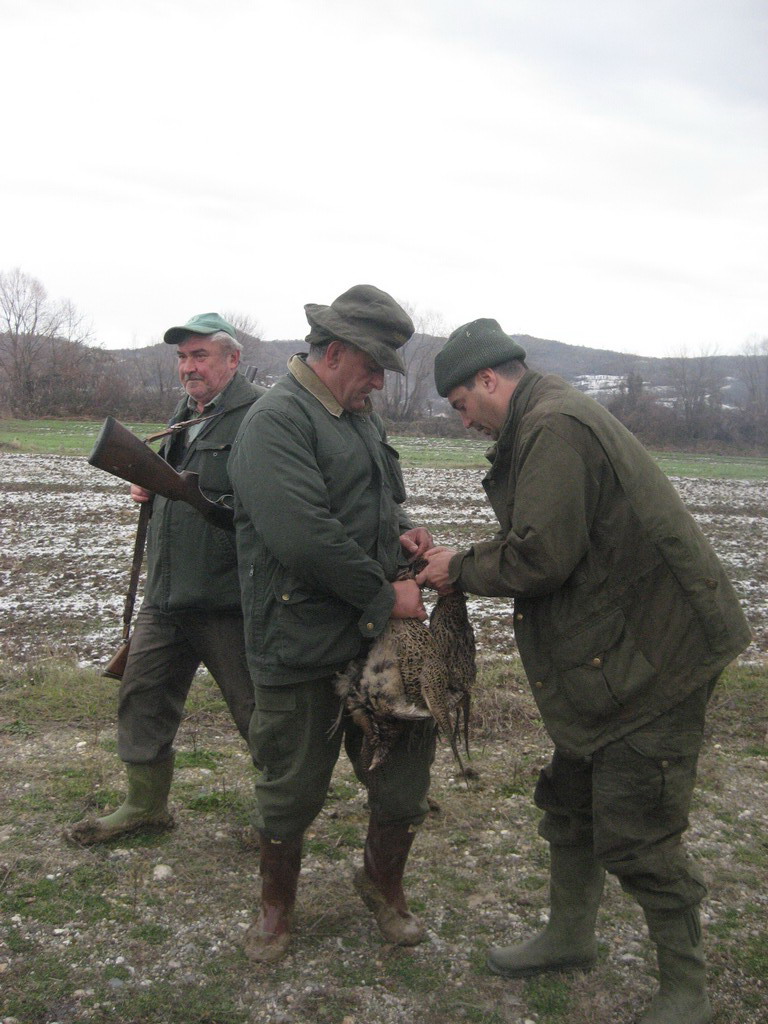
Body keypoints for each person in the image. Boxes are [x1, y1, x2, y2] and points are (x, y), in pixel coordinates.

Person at [416, 318, 751, 1024]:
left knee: (639, 825)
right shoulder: (543, 418)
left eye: (458, 404)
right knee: (570, 797)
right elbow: (548, 535)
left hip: (657, 654)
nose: (463, 419)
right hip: (615, 654)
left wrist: (462, 568)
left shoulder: (554, 428)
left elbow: (541, 556)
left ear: (486, 380)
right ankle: (570, 936)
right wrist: (466, 560)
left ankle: (686, 990)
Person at [228, 284, 435, 963]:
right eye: (374, 365)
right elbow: (304, 538)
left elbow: (372, 505)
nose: (380, 380)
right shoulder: (275, 421)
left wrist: (403, 534)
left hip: (378, 640)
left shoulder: (359, 415)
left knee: (404, 772)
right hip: (300, 644)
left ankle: (382, 885)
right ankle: (275, 910)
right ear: (336, 352)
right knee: (289, 787)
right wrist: (386, 596)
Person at [68, 312, 266, 845]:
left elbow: (266, 507)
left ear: (233, 359)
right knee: (143, 696)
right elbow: (178, 486)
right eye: (182, 358)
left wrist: (191, 494)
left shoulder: (260, 418)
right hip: (167, 593)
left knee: (258, 714)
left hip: (228, 597)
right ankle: (144, 806)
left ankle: (278, 817)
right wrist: (151, 488)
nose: (187, 367)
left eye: (199, 355)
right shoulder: (186, 413)